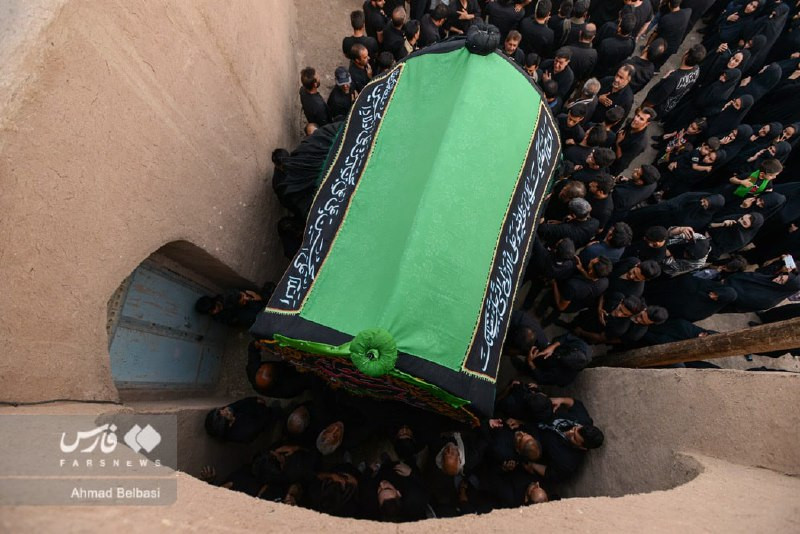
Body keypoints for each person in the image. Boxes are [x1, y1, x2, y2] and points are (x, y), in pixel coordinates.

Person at [528, 398, 604, 483]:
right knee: (539, 402)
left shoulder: (568, 462)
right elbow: (575, 403)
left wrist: (533, 466)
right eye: (574, 429)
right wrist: (561, 400)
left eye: (574, 437)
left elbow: (552, 474)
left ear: (583, 448)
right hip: (542, 415)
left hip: (534, 438)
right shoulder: (583, 420)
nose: (570, 432)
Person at [643, 43, 706, 119]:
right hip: (667, 107)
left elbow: (654, 100)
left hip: (654, 109)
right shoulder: (696, 69)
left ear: (686, 55)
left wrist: (664, 79)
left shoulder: (673, 79)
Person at [205, 397, 278, 443]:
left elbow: (239, 403)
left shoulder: (227, 413)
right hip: (263, 417)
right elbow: (262, 420)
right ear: (229, 424)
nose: (224, 409)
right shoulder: (244, 432)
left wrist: (254, 400)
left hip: (255, 413)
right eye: (226, 413)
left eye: (220, 410)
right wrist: (264, 408)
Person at [611, 107, 657, 175]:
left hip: (614, 166)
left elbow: (621, 162)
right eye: (638, 115)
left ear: (647, 123)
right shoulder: (631, 123)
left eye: (641, 119)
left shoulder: (639, 144)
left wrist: (618, 144)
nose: (636, 119)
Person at [649, 0, 693, 68]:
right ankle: (656, 69)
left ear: (669, 4)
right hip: (674, 45)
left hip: (663, 44)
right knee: (661, 61)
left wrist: (648, 45)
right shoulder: (687, 12)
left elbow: (656, 33)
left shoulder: (666, 19)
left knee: (653, 58)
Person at [594, 12, 637, 79]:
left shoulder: (606, 43)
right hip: (611, 71)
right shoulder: (632, 44)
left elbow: (597, 55)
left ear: (619, 28)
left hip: (598, 68)